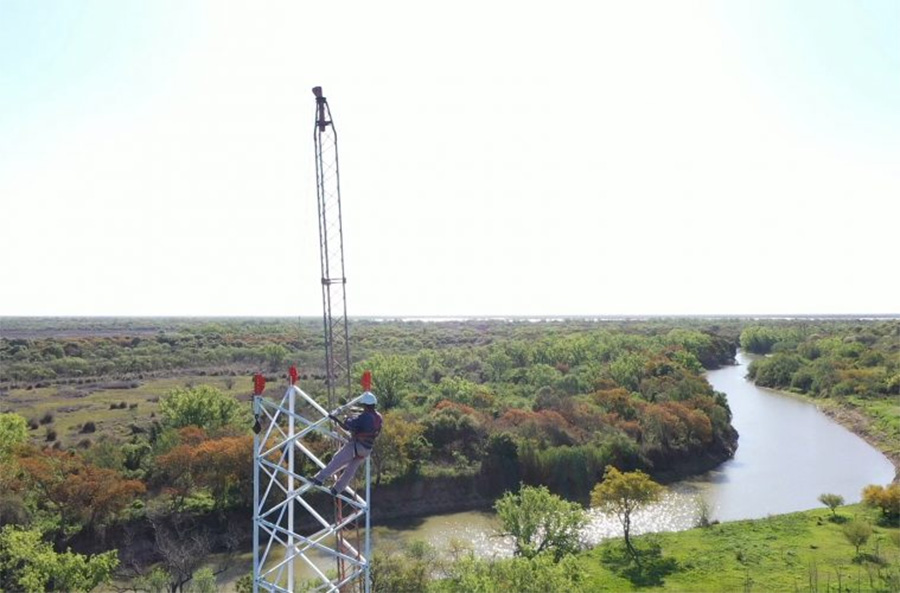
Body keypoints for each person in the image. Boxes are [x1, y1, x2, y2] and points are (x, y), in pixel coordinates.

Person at [311, 391, 382, 496]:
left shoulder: (365, 417)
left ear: (365, 405)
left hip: (357, 446)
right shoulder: (378, 417)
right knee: (350, 470)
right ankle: (337, 489)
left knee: (337, 459)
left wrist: (344, 418)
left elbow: (349, 425)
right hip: (367, 449)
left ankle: (319, 479)